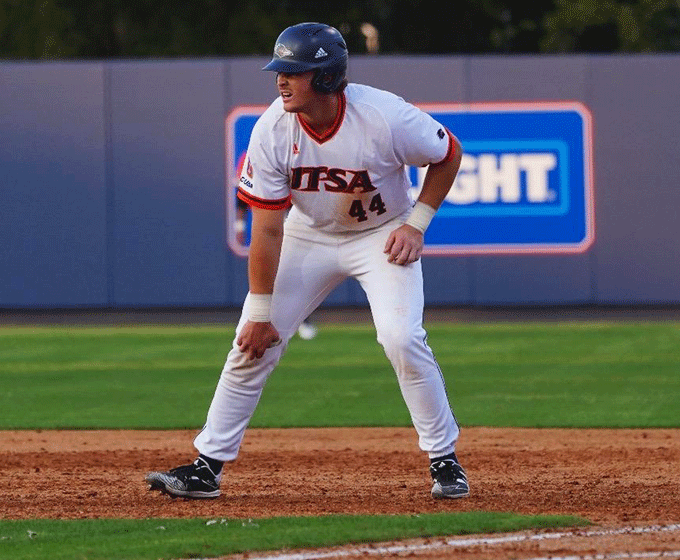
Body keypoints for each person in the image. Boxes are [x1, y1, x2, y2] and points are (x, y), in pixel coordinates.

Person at [145, 22, 468, 500]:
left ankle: (445, 462)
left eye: (293, 72)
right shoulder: (274, 128)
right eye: (280, 70)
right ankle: (205, 468)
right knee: (251, 344)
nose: (281, 80)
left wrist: (416, 223)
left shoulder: (382, 115)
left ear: (326, 77)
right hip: (308, 234)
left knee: (401, 337)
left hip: (381, 234)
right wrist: (259, 313)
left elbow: (448, 152)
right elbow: (268, 227)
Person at [235, 195, 318, 340]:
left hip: (288, 236)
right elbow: (242, 205)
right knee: (261, 283)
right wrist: (240, 228)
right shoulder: (255, 180)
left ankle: (303, 321)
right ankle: (254, 321)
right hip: (264, 239)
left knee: (293, 280)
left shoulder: (287, 183)